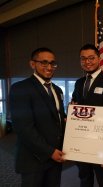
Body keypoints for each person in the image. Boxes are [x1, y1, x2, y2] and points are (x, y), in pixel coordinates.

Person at [9, 47, 66, 187]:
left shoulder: (57, 90)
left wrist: (72, 118)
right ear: (32, 64)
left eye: (52, 63)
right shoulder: (20, 88)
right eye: (44, 63)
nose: (49, 67)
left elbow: (58, 118)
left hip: (55, 158)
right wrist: (49, 151)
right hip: (33, 160)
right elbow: (23, 128)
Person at [71, 44, 103, 187]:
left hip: (100, 141)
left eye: (91, 58)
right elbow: (76, 105)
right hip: (81, 139)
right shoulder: (79, 83)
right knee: (84, 177)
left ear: (99, 59)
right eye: (83, 59)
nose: (87, 62)